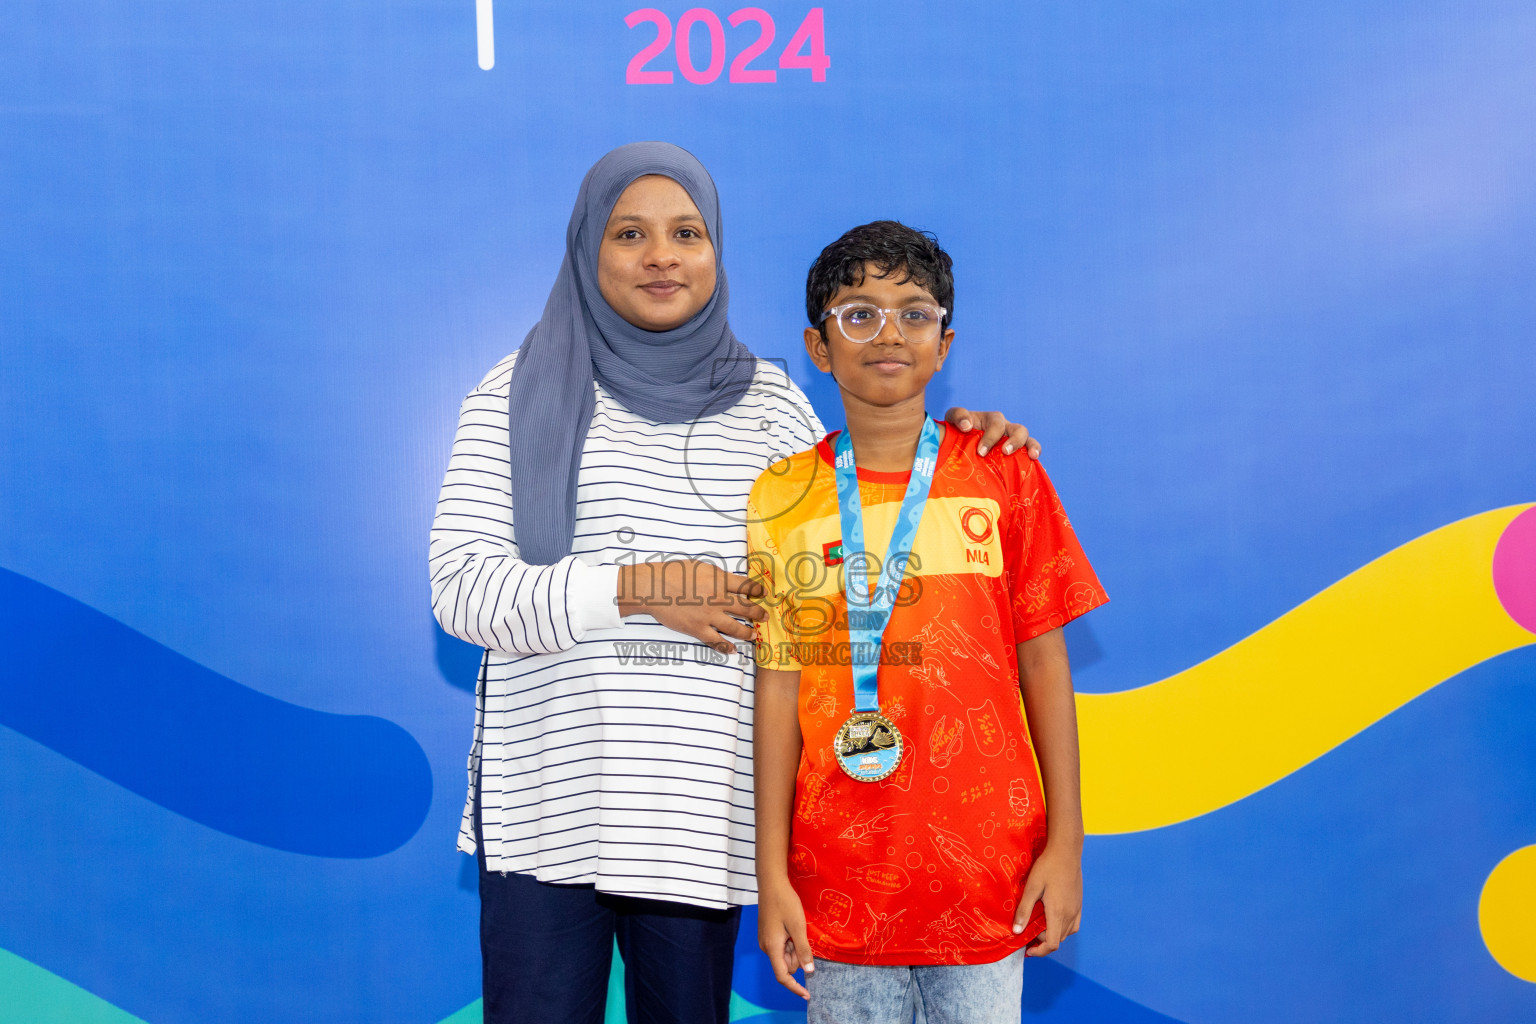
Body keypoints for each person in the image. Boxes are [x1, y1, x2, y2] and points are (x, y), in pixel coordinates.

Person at [429, 146, 1041, 1024]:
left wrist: (971, 446)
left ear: (717, 252)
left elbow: (852, 549)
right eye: (629, 233)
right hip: (549, 819)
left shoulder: (771, 406)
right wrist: (636, 589)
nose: (661, 255)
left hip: (698, 819)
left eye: (687, 233)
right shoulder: (512, 393)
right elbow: (462, 591)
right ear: (586, 251)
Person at [748, 221, 1108, 1023]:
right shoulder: (783, 495)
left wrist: (1067, 844)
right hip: (837, 880)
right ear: (818, 344)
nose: (889, 334)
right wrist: (772, 875)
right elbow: (776, 691)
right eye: (859, 314)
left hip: (989, 877)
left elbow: (1046, 665)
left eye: (915, 314)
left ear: (944, 344)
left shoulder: (1004, 474)